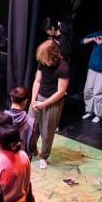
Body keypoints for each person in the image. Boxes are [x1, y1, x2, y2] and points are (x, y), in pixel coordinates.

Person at [28, 39, 70, 169]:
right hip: (38, 98)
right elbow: (37, 81)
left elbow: (60, 92)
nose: (43, 61)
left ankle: (43, 157)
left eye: (45, 58)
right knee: (31, 127)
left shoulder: (63, 68)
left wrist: (43, 104)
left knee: (47, 132)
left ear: (52, 56)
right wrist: (33, 100)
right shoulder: (42, 62)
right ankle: (30, 151)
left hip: (53, 103)